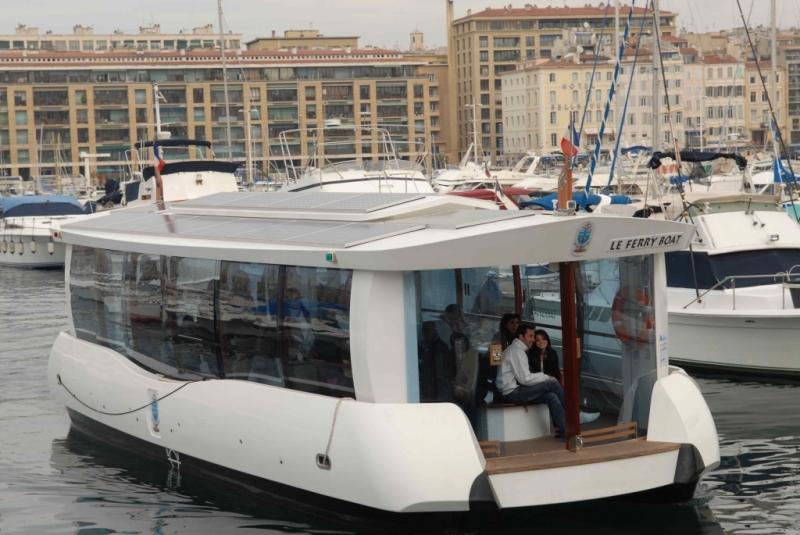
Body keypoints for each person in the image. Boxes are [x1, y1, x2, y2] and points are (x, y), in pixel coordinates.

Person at [497, 323, 566, 440]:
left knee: (551, 397)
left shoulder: (516, 350)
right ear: (521, 337)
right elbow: (525, 379)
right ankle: (575, 414)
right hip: (512, 393)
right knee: (553, 383)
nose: (533, 340)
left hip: (513, 390)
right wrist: (545, 377)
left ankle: (566, 433)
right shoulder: (517, 352)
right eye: (530, 336)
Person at [529, 329, 600, 425]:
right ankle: (576, 415)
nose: (541, 342)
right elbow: (531, 375)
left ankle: (568, 422)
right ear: (534, 342)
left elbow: (555, 373)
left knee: (559, 393)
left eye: (544, 339)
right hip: (536, 385)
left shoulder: (552, 353)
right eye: (538, 340)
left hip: (549, 384)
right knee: (555, 394)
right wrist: (546, 377)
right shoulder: (530, 355)